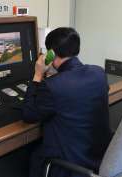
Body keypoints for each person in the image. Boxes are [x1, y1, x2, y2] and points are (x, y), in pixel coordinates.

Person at [22, 27, 112, 177]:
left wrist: (38, 74)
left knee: (32, 155)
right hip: (98, 160)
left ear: (51, 53)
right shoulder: (99, 73)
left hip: (67, 168)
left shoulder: (52, 86)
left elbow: (29, 114)